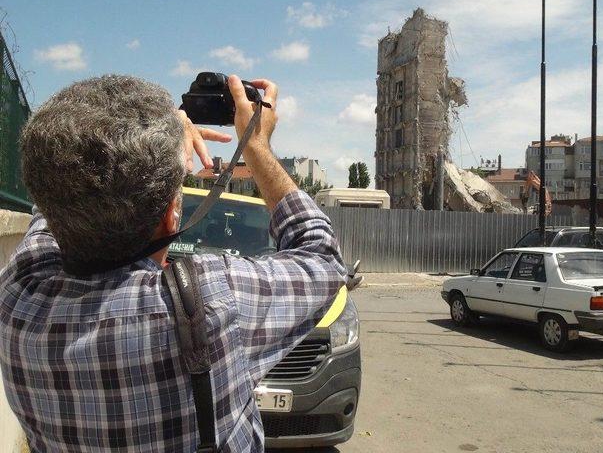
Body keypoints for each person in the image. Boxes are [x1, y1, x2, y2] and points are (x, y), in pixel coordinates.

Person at [0, 74, 346, 452]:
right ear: (171, 217)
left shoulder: (18, 293)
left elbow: (52, 205)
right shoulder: (213, 301)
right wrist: (256, 145)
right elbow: (321, 257)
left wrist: (157, 138)